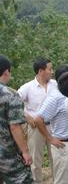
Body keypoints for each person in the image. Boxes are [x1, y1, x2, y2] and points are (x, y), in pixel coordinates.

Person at [34, 64, 68, 184]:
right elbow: (38, 119)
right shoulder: (55, 97)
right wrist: (50, 138)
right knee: (62, 181)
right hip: (63, 146)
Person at [18, 57, 56, 184]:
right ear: (41, 71)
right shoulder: (27, 87)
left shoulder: (55, 84)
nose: (52, 72)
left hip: (54, 127)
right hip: (35, 128)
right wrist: (26, 116)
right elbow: (14, 102)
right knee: (35, 161)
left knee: (56, 158)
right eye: (50, 69)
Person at [0, 54, 33, 184]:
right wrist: (25, 151)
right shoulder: (10, 95)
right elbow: (14, 127)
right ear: (6, 71)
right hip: (8, 155)